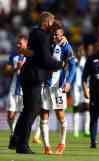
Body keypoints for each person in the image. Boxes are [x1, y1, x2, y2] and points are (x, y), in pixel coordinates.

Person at [11, 11, 65, 154]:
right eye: (52, 23)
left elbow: (35, 54)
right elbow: (46, 60)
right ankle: (22, 145)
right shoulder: (41, 36)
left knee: (29, 110)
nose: (53, 27)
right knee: (32, 110)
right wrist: (60, 64)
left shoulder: (37, 34)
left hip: (30, 75)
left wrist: (57, 39)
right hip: (33, 76)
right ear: (46, 22)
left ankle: (16, 139)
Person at [40, 20, 76, 155]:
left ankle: (62, 143)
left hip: (57, 87)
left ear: (62, 35)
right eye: (52, 34)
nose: (54, 37)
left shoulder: (66, 46)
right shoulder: (46, 43)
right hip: (44, 85)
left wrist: (69, 82)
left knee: (60, 116)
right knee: (44, 116)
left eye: (56, 35)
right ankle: (47, 147)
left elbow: (73, 65)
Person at [3, 34, 41, 148]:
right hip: (14, 89)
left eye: (20, 43)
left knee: (25, 115)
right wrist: (16, 68)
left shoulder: (31, 55)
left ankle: (19, 137)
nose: (18, 45)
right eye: (17, 43)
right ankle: (13, 134)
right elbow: (6, 71)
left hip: (26, 89)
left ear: (26, 44)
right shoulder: (13, 55)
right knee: (10, 115)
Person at [72, 44, 92, 138]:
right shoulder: (73, 61)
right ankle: (75, 131)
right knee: (76, 107)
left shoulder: (86, 61)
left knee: (87, 107)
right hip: (75, 87)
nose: (80, 52)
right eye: (78, 51)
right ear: (76, 52)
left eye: (82, 50)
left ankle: (86, 130)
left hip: (85, 86)